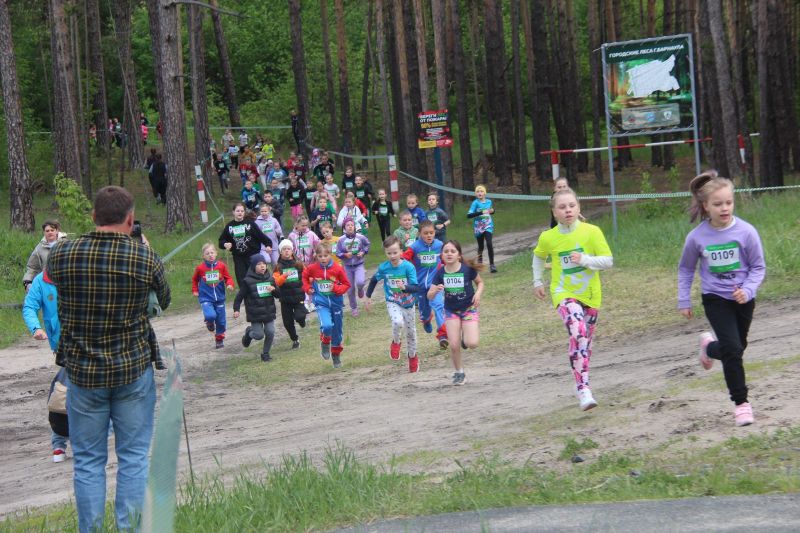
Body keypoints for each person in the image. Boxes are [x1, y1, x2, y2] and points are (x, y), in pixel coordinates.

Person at [47, 186, 171, 532]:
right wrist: (144, 248)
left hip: (83, 373)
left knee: (87, 461)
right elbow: (164, 299)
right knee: (133, 458)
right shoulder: (143, 257)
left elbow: (52, 278)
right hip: (132, 369)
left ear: (93, 216)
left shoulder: (63, 253)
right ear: (130, 220)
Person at [678, 171, 766, 427]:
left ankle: (708, 347)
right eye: (718, 204)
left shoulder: (746, 232)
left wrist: (747, 290)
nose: (724, 208)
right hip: (715, 298)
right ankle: (741, 404)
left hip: (743, 300)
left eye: (729, 202)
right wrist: (684, 300)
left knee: (735, 348)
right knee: (733, 350)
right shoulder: (697, 237)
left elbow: (758, 267)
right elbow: (686, 269)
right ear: (706, 206)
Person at [532, 188, 613, 411]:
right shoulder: (548, 237)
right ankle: (584, 390)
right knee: (578, 331)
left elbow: (608, 261)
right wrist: (537, 281)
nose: (567, 210)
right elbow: (538, 257)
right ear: (554, 212)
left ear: (579, 208)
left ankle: (581, 382)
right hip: (563, 293)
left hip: (591, 295)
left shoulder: (592, 232)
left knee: (584, 343)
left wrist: (585, 260)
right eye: (562, 207)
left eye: (571, 206)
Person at [22, 268, 69, 462]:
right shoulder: (41, 280)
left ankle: (86, 438)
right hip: (62, 346)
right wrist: (36, 328)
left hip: (88, 339)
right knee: (62, 393)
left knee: (81, 391)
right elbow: (29, 307)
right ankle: (59, 444)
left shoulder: (82, 271)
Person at [428, 240, 484, 386]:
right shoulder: (440, 273)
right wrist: (435, 290)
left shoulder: (467, 269)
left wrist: (478, 294)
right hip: (451, 311)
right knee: (453, 345)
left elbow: (480, 282)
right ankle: (459, 373)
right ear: (442, 255)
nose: (449, 254)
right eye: (446, 251)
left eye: (453, 251)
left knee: (472, 343)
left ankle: (465, 338)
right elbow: (429, 295)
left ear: (459, 255)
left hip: (468, 309)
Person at [367, 236, 421, 373]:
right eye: (389, 253)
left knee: (411, 333)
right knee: (397, 322)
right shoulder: (384, 268)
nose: (392, 256)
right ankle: (396, 342)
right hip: (393, 301)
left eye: (395, 252)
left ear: (401, 251)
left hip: (408, 303)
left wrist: (405, 287)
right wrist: (368, 297)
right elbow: (373, 280)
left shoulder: (408, 267)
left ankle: (412, 356)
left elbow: (416, 287)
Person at [302, 242, 351, 367]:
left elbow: (346, 284)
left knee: (337, 331)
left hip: (336, 304)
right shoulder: (312, 268)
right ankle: (325, 342)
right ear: (316, 256)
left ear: (330, 255)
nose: (323, 258)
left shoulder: (337, 268)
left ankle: (336, 355)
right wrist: (308, 288)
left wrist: (337, 289)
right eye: (320, 256)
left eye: (325, 255)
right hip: (321, 303)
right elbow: (304, 277)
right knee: (327, 325)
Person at [403, 221, 448, 348]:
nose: (429, 235)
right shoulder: (414, 247)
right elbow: (403, 260)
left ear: (434, 233)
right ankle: (426, 319)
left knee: (439, 306)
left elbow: (446, 259)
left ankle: (443, 336)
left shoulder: (439, 245)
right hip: (419, 285)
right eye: (425, 233)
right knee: (424, 311)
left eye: (431, 233)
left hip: (435, 283)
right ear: (420, 234)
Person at [232, 255, 278, 362]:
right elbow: (239, 296)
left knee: (270, 332)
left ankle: (265, 353)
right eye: (259, 264)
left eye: (264, 264)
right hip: (255, 313)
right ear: (253, 266)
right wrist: (236, 309)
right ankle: (249, 333)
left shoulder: (271, 279)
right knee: (259, 335)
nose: (262, 266)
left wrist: (274, 290)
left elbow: (278, 295)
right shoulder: (247, 281)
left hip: (268, 312)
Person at [218, 203, 273, 288]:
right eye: (238, 211)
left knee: (256, 277)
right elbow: (221, 241)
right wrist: (225, 244)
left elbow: (261, 236)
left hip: (253, 256)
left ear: (244, 212)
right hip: (239, 257)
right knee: (242, 279)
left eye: (242, 211)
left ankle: (257, 294)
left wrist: (268, 245)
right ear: (233, 212)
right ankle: (245, 295)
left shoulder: (250, 224)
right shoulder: (229, 226)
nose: (240, 213)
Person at [192, 243, 235, 349]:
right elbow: (194, 280)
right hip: (205, 297)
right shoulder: (200, 268)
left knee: (221, 321)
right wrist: (195, 290)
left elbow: (228, 278)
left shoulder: (221, 266)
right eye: (207, 254)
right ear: (203, 256)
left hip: (219, 298)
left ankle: (219, 339)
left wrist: (230, 284)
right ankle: (209, 321)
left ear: (216, 253)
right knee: (210, 315)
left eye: (212, 252)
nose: (210, 255)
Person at [272, 239, 307, 350]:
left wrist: (309, 285)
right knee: (287, 323)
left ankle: (302, 321)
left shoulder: (298, 264)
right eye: (284, 249)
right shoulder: (278, 267)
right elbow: (277, 282)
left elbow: (306, 275)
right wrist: (284, 276)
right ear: (280, 252)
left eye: (289, 249)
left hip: (298, 296)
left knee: (300, 316)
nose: (287, 251)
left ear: (292, 251)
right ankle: (295, 339)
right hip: (285, 299)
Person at [335, 218, 370, 317]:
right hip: (347, 267)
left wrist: (363, 252)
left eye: (352, 225)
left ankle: (360, 289)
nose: (350, 227)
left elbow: (367, 244)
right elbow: (338, 252)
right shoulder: (341, 240)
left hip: (359, 264)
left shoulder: (360, 237)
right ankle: (354, 308)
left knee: (360, 282)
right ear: (344, 228)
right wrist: (345, 255)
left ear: (354, 227)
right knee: (350, 289)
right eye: (348, 225)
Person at [22, 220, 67, 292]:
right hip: (47, 283)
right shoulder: (39, 248)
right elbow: (32, 267)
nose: (50, 232)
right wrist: (27, 282)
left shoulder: (67, 244)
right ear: (44, 232)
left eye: (52, 230)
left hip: (64, 282)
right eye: (47, 231)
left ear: (57, 231)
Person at [468, 185, 497, 273]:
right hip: (478, 227)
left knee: (489, 243)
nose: (479, 193)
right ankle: (479, 264)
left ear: (484, 193)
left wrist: (493, 211)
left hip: (488, 225)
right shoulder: (475, 203)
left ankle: (492, 265)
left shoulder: (489, 201)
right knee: (481, 246)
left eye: (481, 191)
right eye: (478, 192)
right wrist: (481, 212)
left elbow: (490, 212)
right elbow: (469, 215)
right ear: (476, 194)